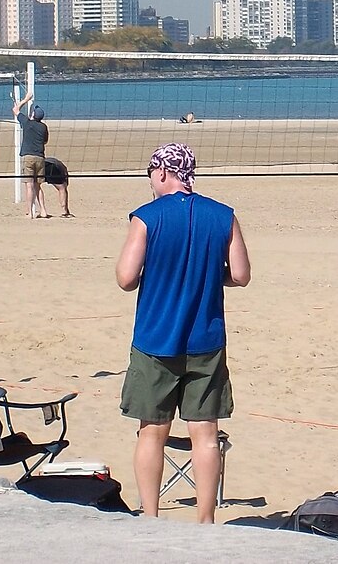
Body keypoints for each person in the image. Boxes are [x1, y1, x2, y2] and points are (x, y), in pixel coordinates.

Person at [116, 143, 251, 521]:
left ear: (161, 173)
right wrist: (211, 277)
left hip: (155, 339)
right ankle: (205, 518)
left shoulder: (146, 217)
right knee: (205, 433)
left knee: (152, 432)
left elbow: (126, 278)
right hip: (205, 339)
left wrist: (154, 275)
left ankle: (151, 514)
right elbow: (240, 275)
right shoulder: (222, 215)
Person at [12, 93, 49, 219]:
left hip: (29, 157)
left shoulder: (27, 123)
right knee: (38, 185)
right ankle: (43, 210)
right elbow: (45, 141)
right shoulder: (43, 127)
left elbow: (15, 110)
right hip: (40, 157)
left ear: (33, 115)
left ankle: (30, 212)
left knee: (29, 185)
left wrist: (25, 99)